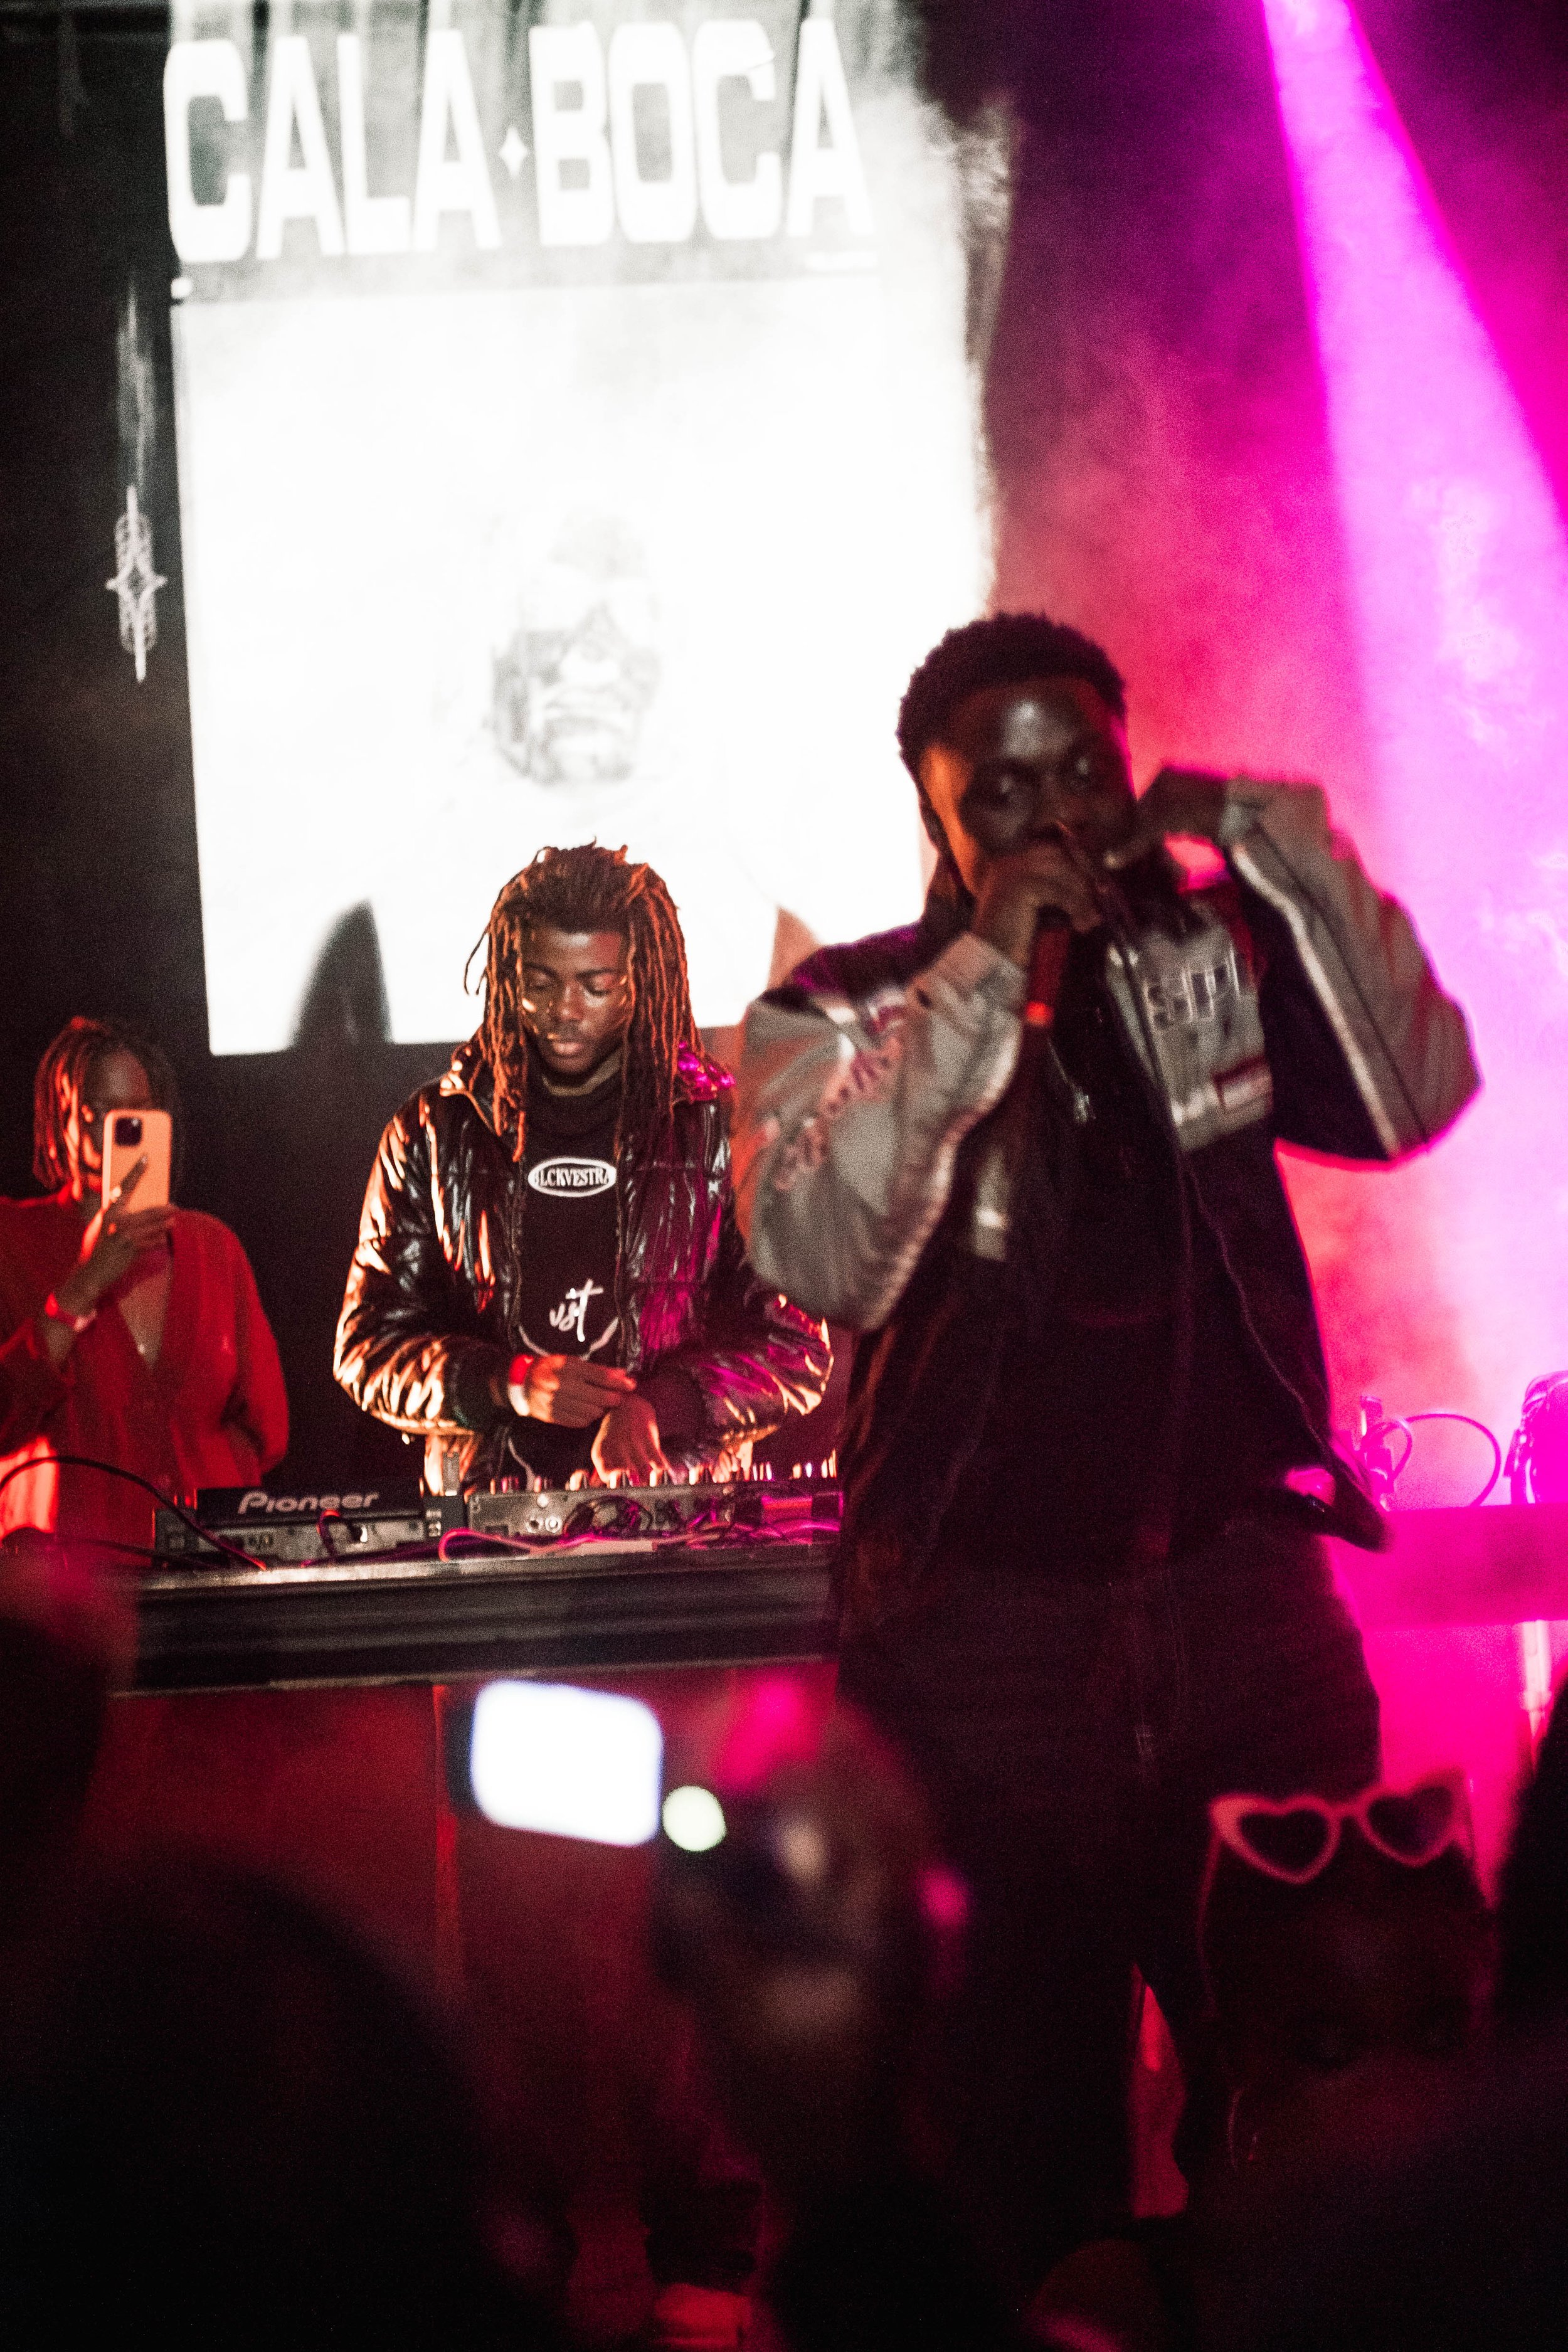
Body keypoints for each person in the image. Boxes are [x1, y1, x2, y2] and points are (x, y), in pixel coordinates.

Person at [732, 613, 1480, 2287]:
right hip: (982, 1630)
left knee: (1328, 2071)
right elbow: (816, 1246)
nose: (1051, 809)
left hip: (1239, 1594)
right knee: (1005, 2109)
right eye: (996, 790)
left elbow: (1416, 1086)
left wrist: (1291, 854)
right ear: (932, 818)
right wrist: (988, 969)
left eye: (1079, 766)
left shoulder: (1201, 955)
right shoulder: (838, 1005)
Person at [335, 844, 830, 1493]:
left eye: (597, 986)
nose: (565, 1010)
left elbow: (795, 1346)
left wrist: (661, 1405)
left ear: (644, 980)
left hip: (673, 1518)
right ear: (511, 979)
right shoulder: (434, 1131)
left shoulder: (722, 1128)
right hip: (489, 1527)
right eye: (541, 983)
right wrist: (504, 1383)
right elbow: (368, 1346)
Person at [0, 1017, 288, 1560]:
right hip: (70, 1589)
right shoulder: (12, 1242)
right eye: (100, 1114)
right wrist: (82, 1286)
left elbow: (268, 1430)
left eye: (137, 1112)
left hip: (212, 1574)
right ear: (61, 1122)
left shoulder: (213, 1247)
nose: (121, 1129)